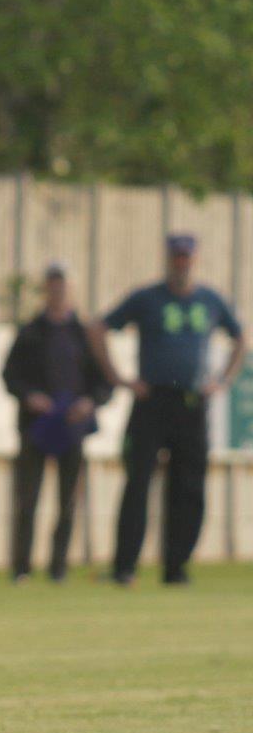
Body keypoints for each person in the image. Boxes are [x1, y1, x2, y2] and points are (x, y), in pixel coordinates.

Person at [88, 234, 246, 585]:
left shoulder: (210, 300)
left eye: (186, 257)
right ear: (168, 259)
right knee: (138, 482)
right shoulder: (147, 298)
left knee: (188, 488)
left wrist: (223, 380)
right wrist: (119, 378)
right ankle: (124, 567)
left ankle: (176, 567)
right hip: (152, 401)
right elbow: (98, 327)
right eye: (176, 257)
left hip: (192, 404)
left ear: (195, 259)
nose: (181, 263)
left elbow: (241, 337)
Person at [2, 263, 111, 583]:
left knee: (67, 502)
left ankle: (58, 567)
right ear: (46, 291)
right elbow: (10, 376)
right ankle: (21, 567)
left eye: (63, 288)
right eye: (52, 288)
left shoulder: (84, 334)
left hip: (71, 428)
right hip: (36, 427)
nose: (58, 293)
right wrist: (30, 396)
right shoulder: (30, 332)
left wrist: (90, 402)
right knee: (28, 498)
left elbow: (103, 381)